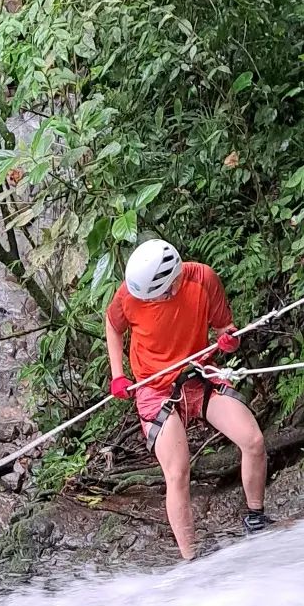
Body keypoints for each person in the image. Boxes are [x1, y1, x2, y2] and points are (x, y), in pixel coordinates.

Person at [106, 238, 271, 561]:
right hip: (154, 389)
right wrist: (118, 375)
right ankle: (191, 559)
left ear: (173, 281)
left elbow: (227, 329)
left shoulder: (202, 279)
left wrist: (228, 341)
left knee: (253, 440)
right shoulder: (129, 294)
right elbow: (113, 327)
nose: (155, 301)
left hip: (199, 373)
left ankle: (256, 518)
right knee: (178, 471)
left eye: (160, 295)